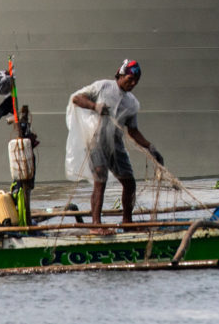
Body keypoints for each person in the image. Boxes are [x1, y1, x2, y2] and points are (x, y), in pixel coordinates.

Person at [69, 59, 164, 224]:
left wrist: (150, 147)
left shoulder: (132, 103)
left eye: (136, 81)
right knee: (100, 181)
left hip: (115, 144)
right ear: (120, 75)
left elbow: (133, 131)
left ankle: (127, 222)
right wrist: (95, 106)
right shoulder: (103, 87)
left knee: (129, 183)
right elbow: (77, 99)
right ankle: (96, 224)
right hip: (96, 142)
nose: (132, 83)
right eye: (130, 79)